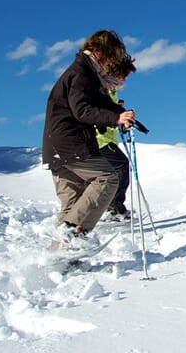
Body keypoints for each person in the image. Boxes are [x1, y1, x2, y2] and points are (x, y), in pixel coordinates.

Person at [42, 30, 136, 250]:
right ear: (98, 51)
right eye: (111, 55)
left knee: (73, 202)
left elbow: (100, 103)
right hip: (70, 143)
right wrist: (116, 117)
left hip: (57, 147)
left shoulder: (87, 73)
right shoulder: (81, 73)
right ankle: (74, 232)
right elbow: (83, 110)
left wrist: (119, 115)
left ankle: (57, 256)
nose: (112, 61)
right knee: (108, 178)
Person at [96, 56, 137, 222]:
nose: (124, 79)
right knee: (121, 166)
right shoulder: (102, 87)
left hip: (107, 137)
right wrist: (117, 115)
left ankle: (110, 207)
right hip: (99, 138)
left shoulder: (112, 89)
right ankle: (114, 208)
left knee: (116, 170)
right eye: (123, 74)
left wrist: (121, 115)